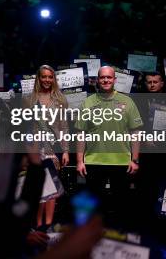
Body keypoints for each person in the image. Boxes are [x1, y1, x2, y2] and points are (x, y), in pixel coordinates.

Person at [75, 66, 143, 216]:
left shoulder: (127, 102)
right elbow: (81, 133)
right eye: (102, 77)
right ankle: (95, 236)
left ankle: (117, 235)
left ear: (115, 80)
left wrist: (135, 160)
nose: (105, 80)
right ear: (97, 80)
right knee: (94, 204)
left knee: (121, 203)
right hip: (93, 161)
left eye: (109, 77)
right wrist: (80, 161)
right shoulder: (87, 103)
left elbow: (135, 132)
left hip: (121, 162)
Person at [27, 65, 70, 231]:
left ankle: (49, 224)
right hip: (36, 148)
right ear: (38, 78)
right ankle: (38, 225)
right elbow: (25, 127)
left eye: (50, 77)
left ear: (54, 79)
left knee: (52, 187)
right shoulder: (29, 99)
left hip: (54, 147)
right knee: (38, 186)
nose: (47, 80)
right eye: (43, 77)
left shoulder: (60, 99)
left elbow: (64, 126)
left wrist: (65, 150)